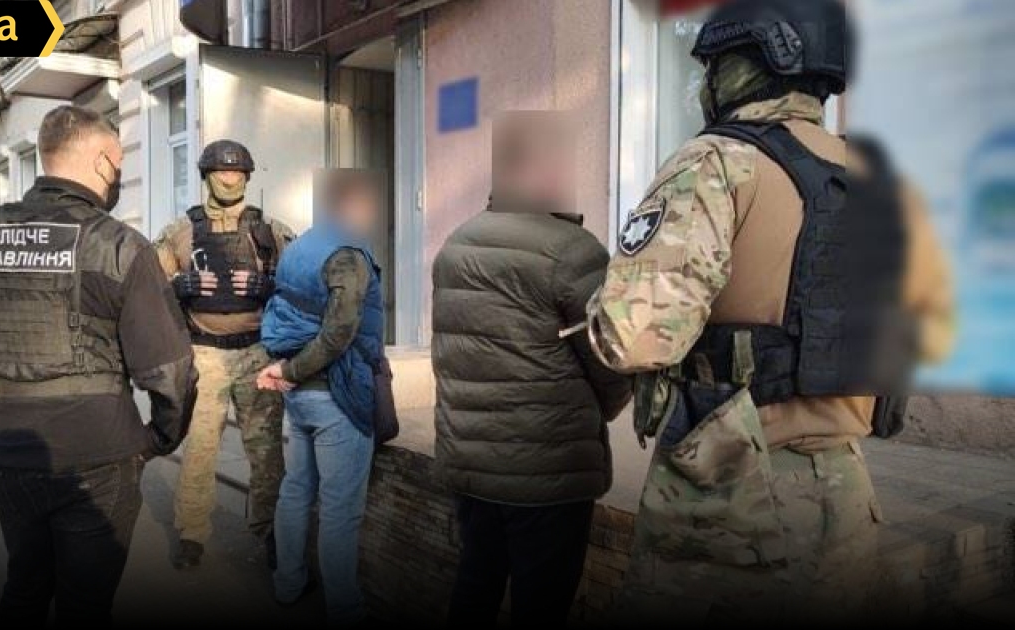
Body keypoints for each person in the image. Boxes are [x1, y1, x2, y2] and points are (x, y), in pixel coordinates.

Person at [586, 0, 954, 623]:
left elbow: (635, 336)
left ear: (755, 62)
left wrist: (604, 297)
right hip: (847, 498)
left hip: (727, 505)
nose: (705, 82)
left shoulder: (716, 162)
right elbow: (928, 331)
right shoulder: (886, 183)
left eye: (716, 64)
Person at [0, 105, 198, 627]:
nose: (118, 173)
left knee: (25, 587)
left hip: (9, 451)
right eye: (117, 161)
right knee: (85, 606)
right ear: (100, 161)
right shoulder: (120, 246)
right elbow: (171, 371)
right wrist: (158, 440)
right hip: (100, 454)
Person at [431, 112, 632, 627]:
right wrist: (607, 409)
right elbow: (610, 358)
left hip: (470, 457)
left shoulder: (457, 244)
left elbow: (453, 350)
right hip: (547, 467)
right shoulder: (572, 250)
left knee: (475, 583)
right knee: (541, 604)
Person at [154, 140, 294, 570]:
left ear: (247, 177)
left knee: (266, 453)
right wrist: (179, 287)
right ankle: (191, 532)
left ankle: (269, 531)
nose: (229, 179)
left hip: (257, 353)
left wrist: (271, 286)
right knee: (200, 449)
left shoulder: (271, 230)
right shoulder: (181, 231)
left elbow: (304, 287)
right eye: (221, 172)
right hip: (205, 354)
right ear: (207, 176)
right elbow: (148, 288)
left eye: (236, 172)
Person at [256, 170, 386, 626]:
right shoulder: (347, 254)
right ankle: (345, 609)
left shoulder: (301, 245)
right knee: (339, 510)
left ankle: (287, 583)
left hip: (300, 399)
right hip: (334, 394)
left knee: (295, 489)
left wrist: (287, 372)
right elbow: (339, 333)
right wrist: (289, 372)